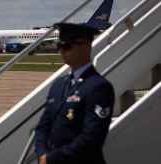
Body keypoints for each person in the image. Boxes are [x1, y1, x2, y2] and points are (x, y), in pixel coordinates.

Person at [34, 23, 115, 164]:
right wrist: (42, 154)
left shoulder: (98, 87)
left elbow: (92, 138)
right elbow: (42, 127)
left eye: (67, 47)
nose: (62, 51)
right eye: (60, 47)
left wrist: (52, 158)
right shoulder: (59, 85)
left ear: (86, 47)